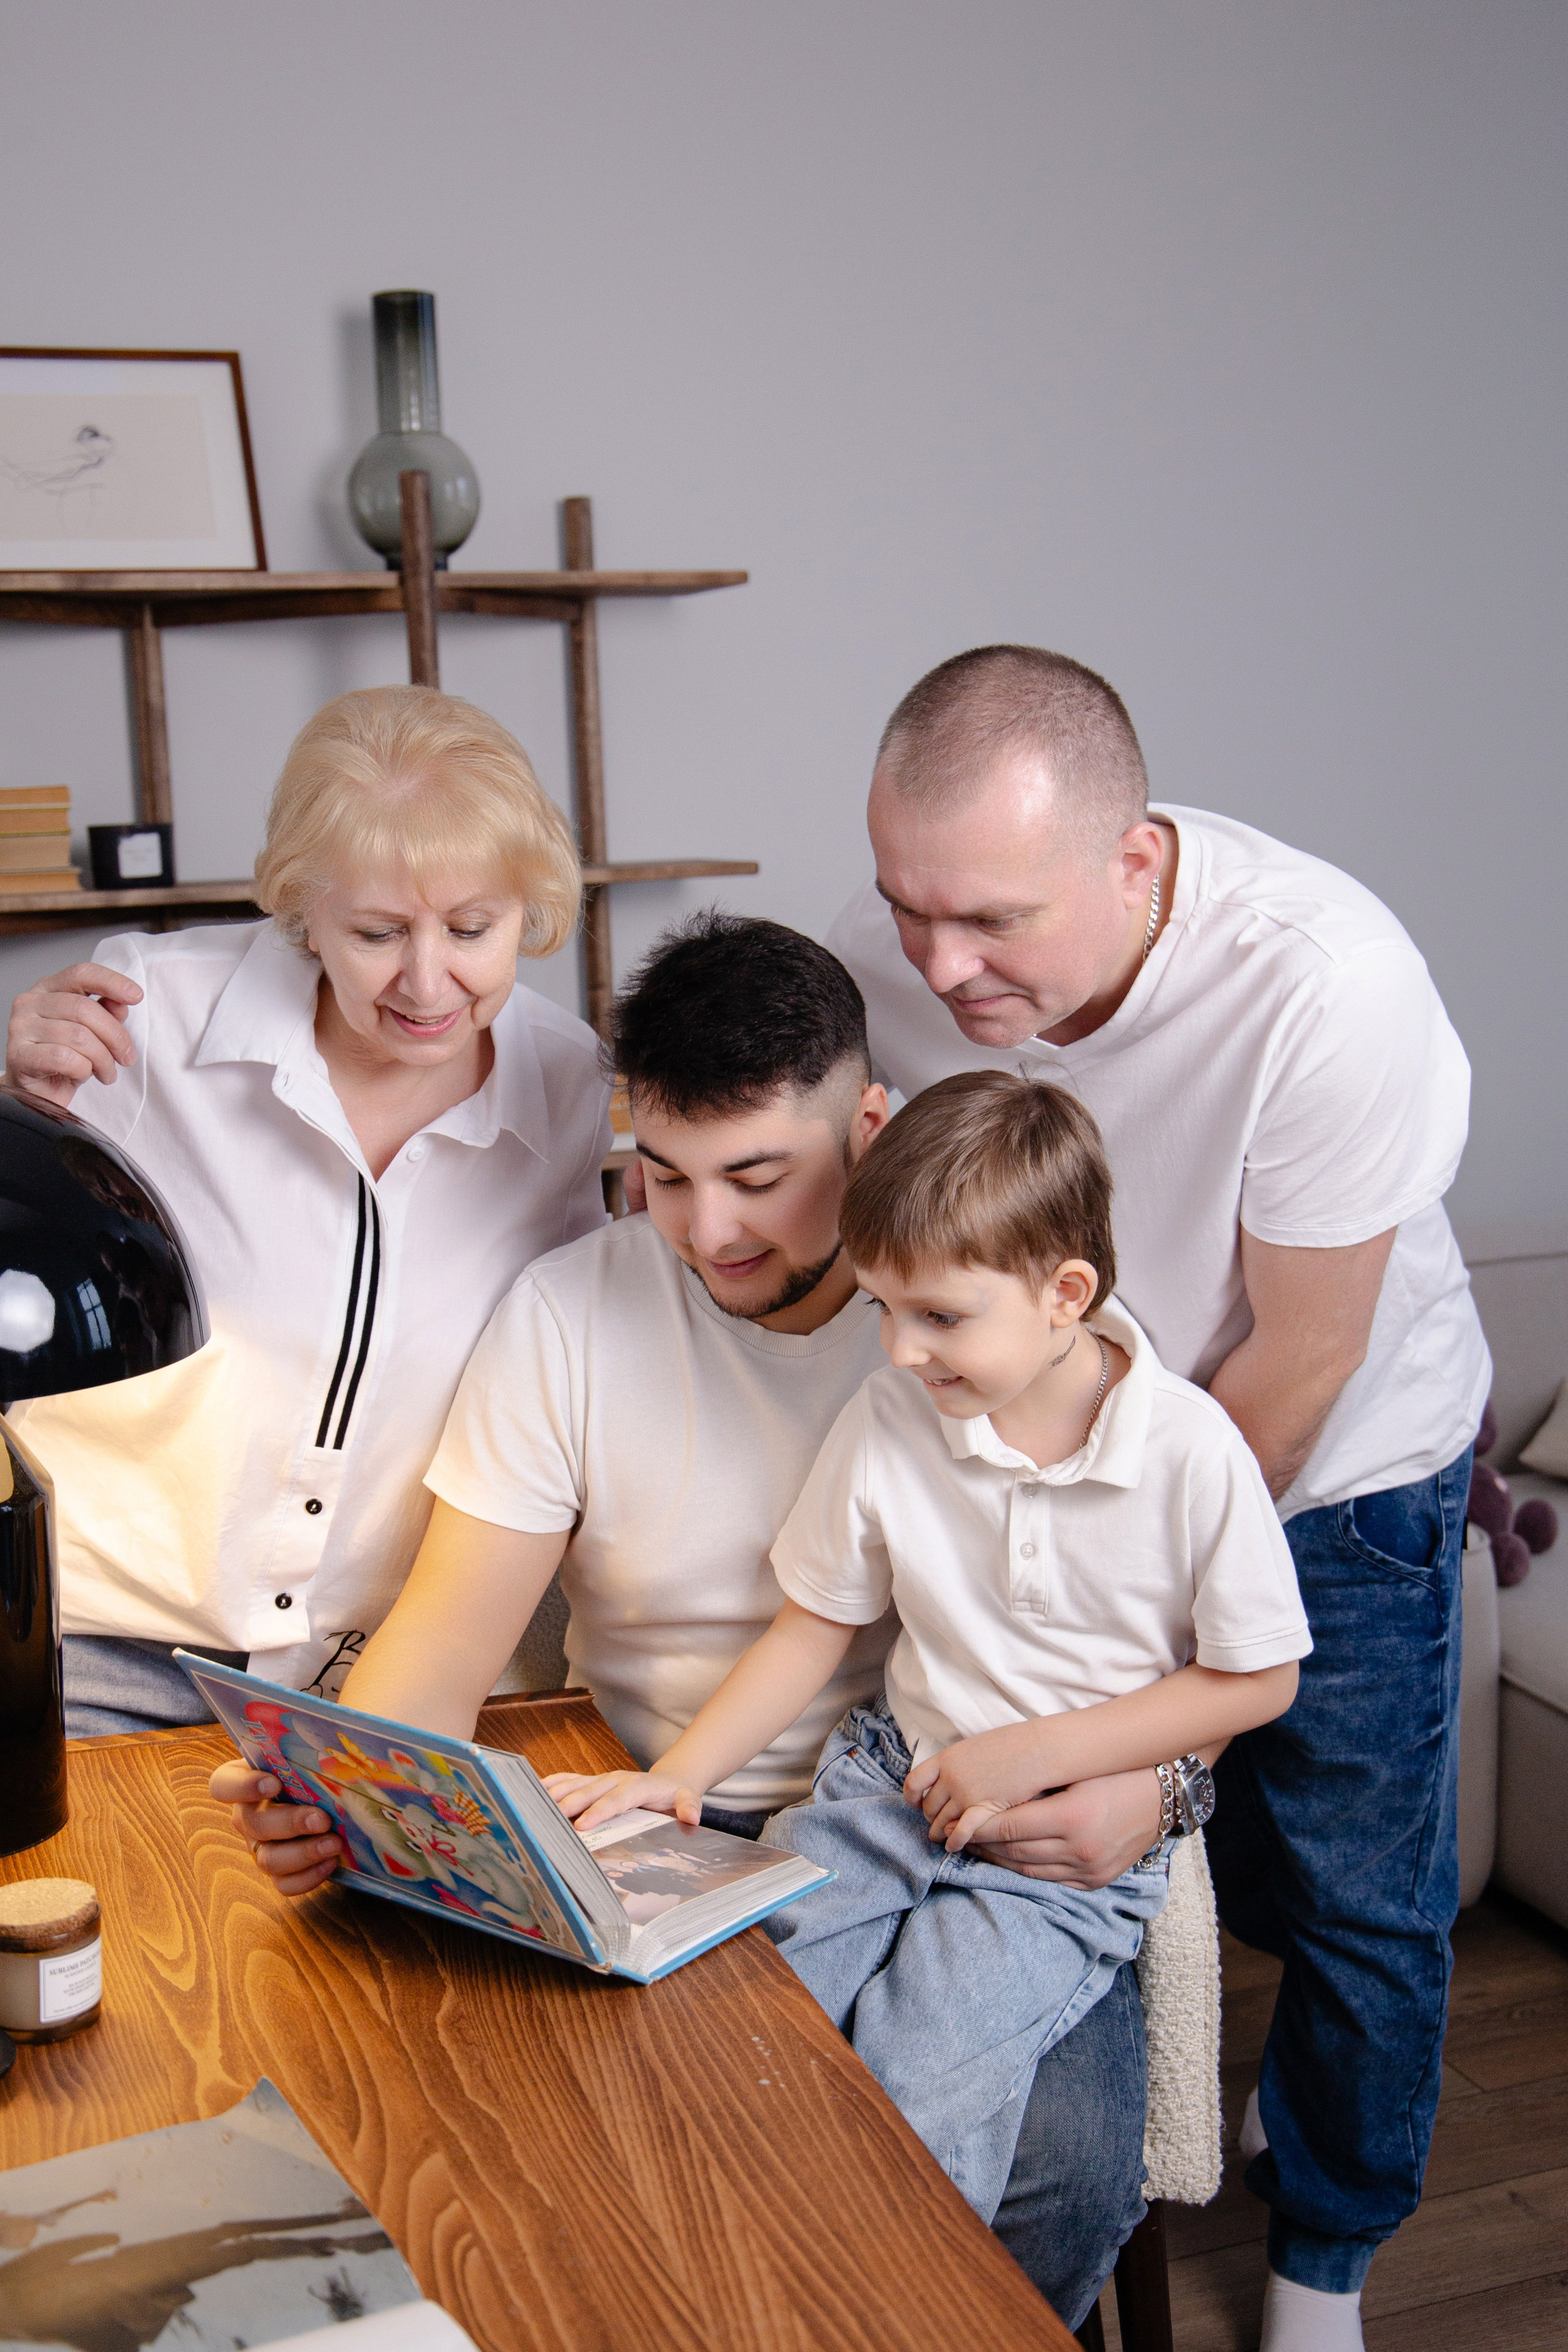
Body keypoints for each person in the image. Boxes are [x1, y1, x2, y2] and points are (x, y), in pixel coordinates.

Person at [212, 915, 1153, 2334]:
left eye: (760, 1178)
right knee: (558, 2156)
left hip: (959, 1839)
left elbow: (1169, 1638)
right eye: (663, 1176)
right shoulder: (568, 1315)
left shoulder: (1002, 1329)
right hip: (651, 1829)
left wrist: (1165, 1784)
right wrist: (356, 1797)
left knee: (1048, 2176)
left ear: (873, 1124)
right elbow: (447, 1642)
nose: (708, 1231)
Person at [826, 644, 1489, 2352]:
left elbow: (1295, 1370)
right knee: (1247, 1871)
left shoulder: (1325, 983)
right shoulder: (902, 960)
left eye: (990, 923)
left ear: (1137, 862)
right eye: (909, 907)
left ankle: (1325, 2262)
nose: (940, 965)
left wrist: (1147, 1750)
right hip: (1040, 1483)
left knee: (1355, 1896)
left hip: (1326, 1467)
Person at [551, 1071, 1308, 2227]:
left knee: (916, 2084)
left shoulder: (1194, 1453)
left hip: (1050, 1862)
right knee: (733, 2025)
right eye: (885, 1310)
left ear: (1066, 1294)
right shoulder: (898, 1415)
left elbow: (1260, 1677)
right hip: (880, 1794)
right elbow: (814, 1627)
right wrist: (675, 1783)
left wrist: (1029, 1754)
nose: (901, 1352)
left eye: (941, 1318)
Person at [3, 685, 610, 1733]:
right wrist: (12, 1091)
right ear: (302, 910)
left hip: (371, 1674)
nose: (429, 983)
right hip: (101, 1656)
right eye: (377, 932)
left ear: (532, 908)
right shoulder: (147, 1018)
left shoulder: (565, 1086)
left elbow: (561, 1366)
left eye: (473, 928)